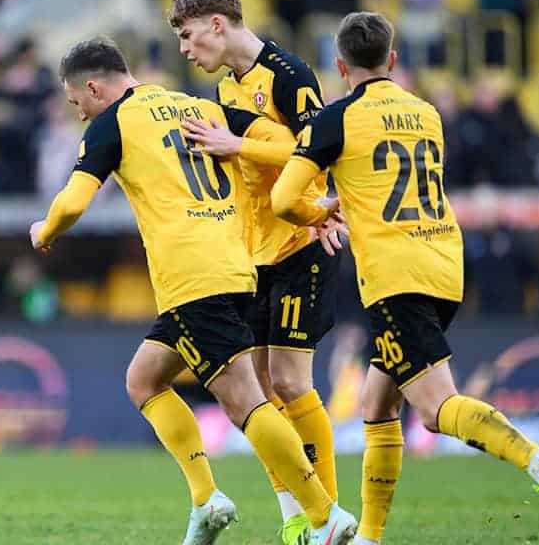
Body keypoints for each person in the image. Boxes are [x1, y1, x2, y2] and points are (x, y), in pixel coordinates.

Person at [271, 12, 539, 545]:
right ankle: (368, 538)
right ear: (392, 61)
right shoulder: (428, 113)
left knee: (437, 408)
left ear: (339, 64)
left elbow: (283, 200)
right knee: (377, 405)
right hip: (444, 263)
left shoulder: (335, 119)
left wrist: (318, 213)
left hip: (395, 276)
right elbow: (381, 180)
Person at [30, 37, 357, 545]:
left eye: (76, 103)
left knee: (246, 402)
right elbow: (294, 142)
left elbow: (72, 204)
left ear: (93, 88)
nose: (78, 114)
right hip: (236, 268)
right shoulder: (200, 106)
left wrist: (44, 231)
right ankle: (206, 501)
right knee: (144, 379)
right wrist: (305, 192)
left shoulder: (111, 124)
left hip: (192, 279)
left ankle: (324, 516)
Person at [168, 0, 343, 539]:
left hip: (299, 245)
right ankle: (296, 518)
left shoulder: (289, 74)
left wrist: (237, 145)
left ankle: (327, 514)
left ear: (217, 24)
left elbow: (316, 153)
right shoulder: (225, 85)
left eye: (187, 35)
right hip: (254, 254)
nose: (184, 49)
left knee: (291, 382)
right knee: (264, 391)